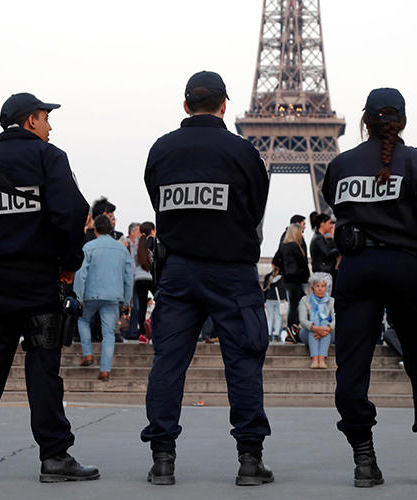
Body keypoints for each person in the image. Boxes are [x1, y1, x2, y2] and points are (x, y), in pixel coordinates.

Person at [0, 92, 98, 483]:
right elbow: (71, 213)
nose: (51, 126)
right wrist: (68, 264)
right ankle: (54, 457)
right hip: (37, 280)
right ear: (31, 120)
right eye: (47, 118)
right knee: (43, 369)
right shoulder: (50, 158)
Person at [141, 71, 272, 486]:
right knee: (244, 362)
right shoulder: (243, 151)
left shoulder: (161, 150)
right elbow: (255, 209)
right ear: (224, 105)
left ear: (185, 106)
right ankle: (249, 460)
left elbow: (157, 203)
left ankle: (162, 458)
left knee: (168, 363)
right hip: (231, 270)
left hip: (178, 269)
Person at [321, 88, 417, 487]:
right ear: (403, 121)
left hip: (357, 269)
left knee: (352, 365)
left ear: (364, 121)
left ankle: (364, 460)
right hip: (404, 266)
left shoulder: (342, 165)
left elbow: (334, 203)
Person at [73, 214, 133, 381]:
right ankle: (105, 370)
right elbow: (129, 277)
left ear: (95, 230)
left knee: (83, 321)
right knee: (109, 333)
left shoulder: (89, 247)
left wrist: (78, 296)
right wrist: (126, 301)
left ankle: (88, 354)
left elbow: (81, 274)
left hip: (92, 293)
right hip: (113, 295)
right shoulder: (122, 249)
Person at [298, 273, 336, 369]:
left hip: (328, 333)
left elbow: (337, 319)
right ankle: (315, 359)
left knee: (324, 322)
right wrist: (315, 328)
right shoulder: (304, 300)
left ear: (326, 288)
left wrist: (327, 328)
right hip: (307, 333)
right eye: (317, 286)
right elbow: (302, 320)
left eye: (323, 286)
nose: (320, 289)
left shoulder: (331, 301)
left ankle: (321, 359)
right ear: (312, 288)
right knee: (315, 321)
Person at [280, 223, 310, 333]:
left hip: (288, 279)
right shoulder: (295, 246)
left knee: (294, 305)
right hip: (296, 279)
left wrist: (284, 271)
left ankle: (291, 329)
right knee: (298, 305)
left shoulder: (283, 246)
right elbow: (302, 263)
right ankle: (293, 328)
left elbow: (276, 260)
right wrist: (306, 276)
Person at [134, 222, 156, 344]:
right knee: (162, 301)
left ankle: (142, 334)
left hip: (138, 278)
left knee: (141, 307)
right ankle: (152, 322)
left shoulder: (136, 243)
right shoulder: (152, 241)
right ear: (152, 230)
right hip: (150, 277)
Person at [309, 213, 339, 281]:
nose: (331, 226)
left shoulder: (320, 237)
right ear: (322, 224)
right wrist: (339, 249)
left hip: (324, 272)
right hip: (323, 274)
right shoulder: (318, 238)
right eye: (329, 223)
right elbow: (327, 253)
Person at [262, 265, 287, 342]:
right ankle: (276, 334)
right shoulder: (283, 278)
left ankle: (269, 334)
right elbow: (284, 290)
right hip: (280, 300)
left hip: (269, 300)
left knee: (269, 318)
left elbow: (264, 289)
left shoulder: (268, 277)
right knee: (278, 318)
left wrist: (264, 300)